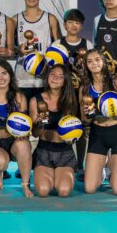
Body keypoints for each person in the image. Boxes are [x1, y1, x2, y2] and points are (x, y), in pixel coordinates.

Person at [80, 49, 117, 195]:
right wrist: (90, 114)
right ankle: (103, 171)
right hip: (98, 134)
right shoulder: (85, 88)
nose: (94, 64)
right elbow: (84, 119)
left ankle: (112, 167)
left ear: (103, 62)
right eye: (89, 61)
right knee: (89, 188)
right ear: (86, 65)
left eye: (97, 60)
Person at [0, 59, 34, 197]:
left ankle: (25, 185)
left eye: (4, 73)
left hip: (14, 141)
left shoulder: (19, 97)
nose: (1, 78)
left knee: (23, 145)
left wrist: (22, 132)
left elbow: (26, 126)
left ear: (10, 75)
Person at [54, 8, 93, 181]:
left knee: (82, 128)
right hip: (64, 93)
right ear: (64, 24)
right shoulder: (57, 45)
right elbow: (52, 70)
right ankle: (64, 161)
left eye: (77, 22)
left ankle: (80, 164)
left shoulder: (88, 45)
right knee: (65, 125)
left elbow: (92, 70)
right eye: (70, 22)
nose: (74, 25)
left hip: (82, 92)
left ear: (82, 26)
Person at [29, 64, 79, 198]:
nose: (55, 78)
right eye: (53, 74)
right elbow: (35, 134)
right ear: (47, 77)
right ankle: (49, 175)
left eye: (60, 76)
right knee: (43, 191)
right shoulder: (36, 100)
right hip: (43, 152)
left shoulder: (70, 99)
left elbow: (76, 130)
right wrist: (40, 124)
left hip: (65, 153)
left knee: (64, 191)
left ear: (65, 81)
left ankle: (59, 175)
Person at [14, 0, 62, 101]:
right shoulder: (15, 19)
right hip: (22, 79)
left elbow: (59, 48)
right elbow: (9, 48)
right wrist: (18, 50)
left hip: (44, 79)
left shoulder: (50, 18)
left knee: (42, 116)